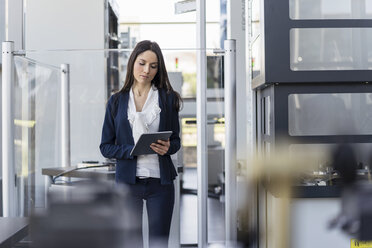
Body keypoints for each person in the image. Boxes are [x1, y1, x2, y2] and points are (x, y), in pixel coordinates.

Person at [100, 40, 182, 247]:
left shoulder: (167, 99)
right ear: (132, 63)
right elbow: (106, 146)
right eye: (142, 63)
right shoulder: (116, 101)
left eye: (153, 66)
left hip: (160, 184)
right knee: (130, 243)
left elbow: (176, 140)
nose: (146, 70)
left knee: (159, 243)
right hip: (128, 185)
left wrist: (168, 147)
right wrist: (132, 150)